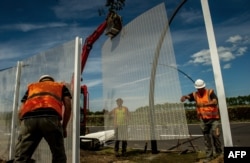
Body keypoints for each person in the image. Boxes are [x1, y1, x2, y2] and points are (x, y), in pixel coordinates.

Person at [13, 75, 72, 163]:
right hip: (50, 119)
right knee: (59, 156)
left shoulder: (32, 88)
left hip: (28, 121)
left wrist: (22, 126)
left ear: (40, 81)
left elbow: (20, 110)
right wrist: (64, 127)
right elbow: (68, 105)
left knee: (21, 157)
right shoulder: (60, 86)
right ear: (52, 80)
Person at [180, 79, 222, 162]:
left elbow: (215, 101)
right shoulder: (195, 94)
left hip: (214, 119)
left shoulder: (210, 92)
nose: (199, 90)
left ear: (204, 87)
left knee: (215, 135)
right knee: (206, 138)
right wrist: (184, 97)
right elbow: (189, 96)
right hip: (203, 120)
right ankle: (209, 156)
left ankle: (219, 153)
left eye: (201, 88)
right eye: (198, 89)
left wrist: (203, 104)